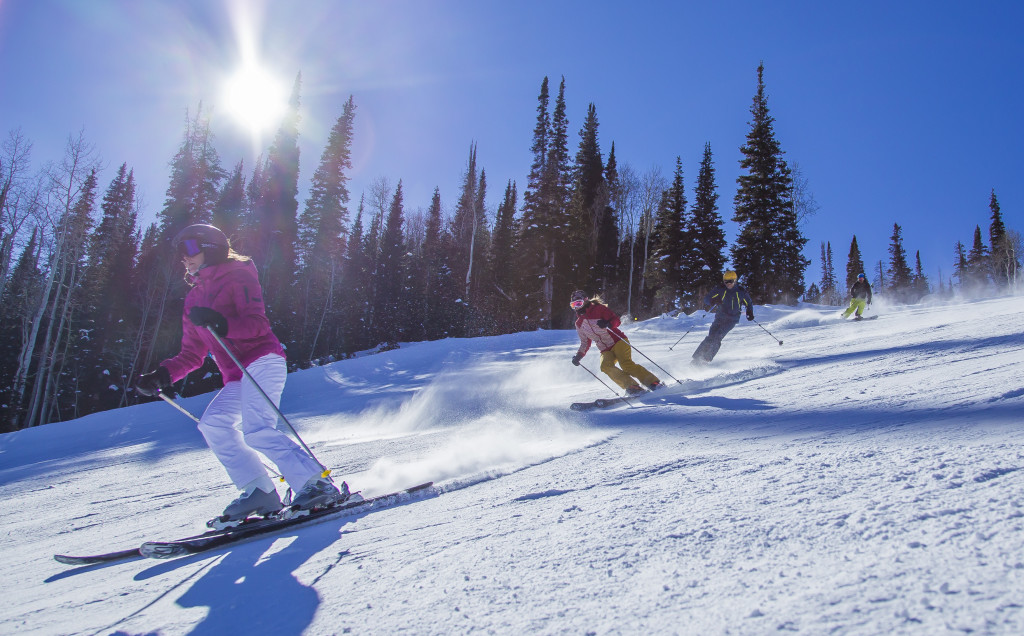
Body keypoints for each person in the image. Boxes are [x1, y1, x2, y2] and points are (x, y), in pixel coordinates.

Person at [135, 224, 347, 521]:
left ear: (210, 247)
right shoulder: (193, 300)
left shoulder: (238, 274)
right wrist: (164, 375)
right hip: (237, 375)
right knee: (213, 424)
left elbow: (257, 325)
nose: (184, 258)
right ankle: (259, 490)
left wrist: (222, 323)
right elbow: (192, 355)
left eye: (190, 249)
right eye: (180, 253)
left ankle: (316, 483)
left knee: (257, 429)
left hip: (262, 360)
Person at [570, 290, 661, 396]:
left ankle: (653, 382)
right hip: (605, 349)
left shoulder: (599, 309)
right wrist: (579, 356)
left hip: (618, 341)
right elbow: (585, 342)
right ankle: (632, 386)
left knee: (626, 365)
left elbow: (616, 320)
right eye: (573, 304)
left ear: (585, 301)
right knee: (605, 366)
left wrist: (608, 323)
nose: (576, 307)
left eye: (578, 303)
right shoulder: (579, 324)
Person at [692, 270, 755, 365]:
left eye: (731, 281)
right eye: (726, 281)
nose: (728, 284)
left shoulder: (741, 291)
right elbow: (706, 299)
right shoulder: (720, 289)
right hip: (720, 317)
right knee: (711, 337)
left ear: (735, 280)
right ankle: (697, 359)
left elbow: (748, 302)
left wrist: (749, 312)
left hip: (732, 319)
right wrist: (713, 300)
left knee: (718, 337)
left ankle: (705, 360)